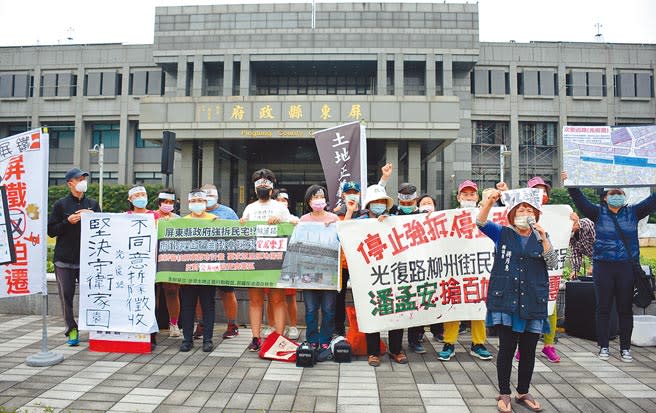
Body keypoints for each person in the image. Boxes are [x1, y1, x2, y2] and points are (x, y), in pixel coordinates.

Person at [477, 188, 557, 413]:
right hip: (507, 300)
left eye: (529, 209)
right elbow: (481, 223)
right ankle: (504, 393)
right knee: (507, 349)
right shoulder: (502, 233)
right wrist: (489, 202)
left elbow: (552, 263)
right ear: (511, 214)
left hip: (533, 299)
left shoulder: (542, 236)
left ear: (536, 214)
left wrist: (543, 239)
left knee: (529, 349)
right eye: (520, 209)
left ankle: (523, 391)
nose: (525, 212)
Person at [563, 171, 656, 362]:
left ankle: (625, 348)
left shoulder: (634, 212)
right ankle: (604, 346)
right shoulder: (597, 212)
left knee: (624, 309)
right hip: (603, 267)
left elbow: (653, 200)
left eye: (620, 192)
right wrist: (570, 182)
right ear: (605, 197)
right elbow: (579, 199)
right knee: (603, 308)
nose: (617, 196)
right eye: (613, 193)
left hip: (626, 268)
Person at [345, 184, 408, 367]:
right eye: (375, 202)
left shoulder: (394, 220)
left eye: (382, 202)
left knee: (397, 309)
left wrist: (389, 223)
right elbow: (342, 235)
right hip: (369, 274)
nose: (379, 205)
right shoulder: (359, 221)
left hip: (393, 272)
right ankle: (373, 352)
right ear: (368, 204)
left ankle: (396, 349)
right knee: (372, 309)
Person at [438, 180, 493, 361]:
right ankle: (449, 342)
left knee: (478, 305)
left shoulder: (485, 214)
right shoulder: (449, 216)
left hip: (478, 268)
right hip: (455, 267)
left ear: (477, 197)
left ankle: (478, 343)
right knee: (453, 303)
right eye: (465, 194)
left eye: (472, 194)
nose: (468, 197)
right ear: (458, 197)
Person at [240, 169, 294, 352]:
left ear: (272, 187)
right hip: (255, 259)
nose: (263, 186)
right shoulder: (250, 208)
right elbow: (242, 232)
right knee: (255, 300)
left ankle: (279, 336)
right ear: (254, 188)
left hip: (275, 259)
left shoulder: (280, 207)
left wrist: (282, 221)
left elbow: (294, 223)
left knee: (277, 299)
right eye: (259, 184)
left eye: (266, 183)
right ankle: (255, 337)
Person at [47, 168, 100, 346]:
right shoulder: (60, 205)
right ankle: (72, 329)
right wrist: (67, 221)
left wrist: (94, 218)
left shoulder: (93, 204)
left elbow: (103, 229)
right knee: (66, 295)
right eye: (79, 179)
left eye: (84, 178)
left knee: (92, 294)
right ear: (70, 183)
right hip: (64, 259)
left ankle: (95, 327)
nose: (83, 181)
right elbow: (51, 231)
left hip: (88, 258)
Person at [515, 176, 561, 363]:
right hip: (524, 273)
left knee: (550, 308)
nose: (540, 194)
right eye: (535, 191)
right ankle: (521, 347)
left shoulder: (559, 213)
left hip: (548, 271)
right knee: (522, 309)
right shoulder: (520, 216)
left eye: (543, 191)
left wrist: (573, 222)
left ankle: (548, 346)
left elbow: (554, 258)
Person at [299, 185, 339, 350]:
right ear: (309, 201)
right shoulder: (303, 220)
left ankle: (325, 338)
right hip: (308, 271)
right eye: (314, 197)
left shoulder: (334, 218)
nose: (318, 200)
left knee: (329, 308)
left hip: (329, 271)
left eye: (321, 196)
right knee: (310, 308)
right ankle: (312, 338)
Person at [179, 190, 217, 352]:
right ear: (189, 204)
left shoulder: (215, 220)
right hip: (188, 272)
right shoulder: (181, 222)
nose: (198, 203)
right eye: (194, 200)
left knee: (208, 305)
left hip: (208, 271)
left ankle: (207, 339)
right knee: (187, 306)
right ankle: (187, 339)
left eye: (201, 200)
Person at [391, 183, 427, 354]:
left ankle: (415, 340)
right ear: (399, 200)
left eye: (410, 203)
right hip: (397, 268)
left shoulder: (424, 216)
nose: (406, 207)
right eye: (403, 204)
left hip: (418, 266)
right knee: (398, 305)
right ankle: (396, 344)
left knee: (417, 304)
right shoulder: (392, 214)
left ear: (416, 200)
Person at [200, 184, 240, 340]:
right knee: (200, 294)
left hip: (224, 259)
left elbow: (238, 233)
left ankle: (232, 325)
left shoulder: (228, 212)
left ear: (217, 196)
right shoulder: (196, 212)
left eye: (211, 195)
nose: (209, 199)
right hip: (202, 260)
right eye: (206, 196)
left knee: (227, 292)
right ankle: (201, 325)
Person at [271, 188, 300, 340]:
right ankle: (272, 326)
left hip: (289, 263)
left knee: (290, 296)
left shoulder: (293, 219)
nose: (282, 203)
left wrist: (295, 222)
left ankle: (293, 326)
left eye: (285, 200)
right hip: (271, 264)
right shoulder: (268, 218)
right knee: (271, 296)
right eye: (279, 199)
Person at [156, 190, 182, 338]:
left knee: (172, 292)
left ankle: (174, 324)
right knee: (152, 294)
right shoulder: (150, 216)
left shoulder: (178, 219)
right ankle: (152, 322)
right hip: (151, 260)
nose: (168, 205)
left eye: (171, 202)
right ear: (159, 202)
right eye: (165, 202)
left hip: (169, 262)